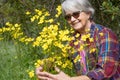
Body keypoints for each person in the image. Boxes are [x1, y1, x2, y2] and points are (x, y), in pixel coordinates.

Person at [36, 0, 120, 80]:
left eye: (76, 14)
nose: (72, 19)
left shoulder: (105, 35)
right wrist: (43, 66)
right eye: (68, 17)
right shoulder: (73, 40)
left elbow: (104, 72)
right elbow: (60, 59)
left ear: (88, 13)